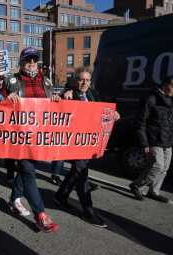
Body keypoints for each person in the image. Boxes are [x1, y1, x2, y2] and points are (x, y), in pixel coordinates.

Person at [54, 67, 120, 228]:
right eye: (81, 79)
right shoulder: (69, 93)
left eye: (87, 80)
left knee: (76, 171)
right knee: (82, 173)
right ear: (75, 80)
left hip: (89, 142)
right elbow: (59, 106)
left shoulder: (93, 94)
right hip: (74, 143)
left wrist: (113, 115)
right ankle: (88, 210)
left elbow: (102, 112)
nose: (84, 83)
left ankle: (61, 196)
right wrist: (63, 96)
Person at [3, 47, 59, 232]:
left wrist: (59, 98)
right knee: (28, 172)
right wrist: (5, 97)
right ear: (21, 62)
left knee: (28, 170)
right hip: (19, 136)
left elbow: (54, 104)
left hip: (39, 136)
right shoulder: (11, 81)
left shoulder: (47, 81)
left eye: (35, 59)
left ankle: (13, 200)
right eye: (28, 60)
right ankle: (40, 215)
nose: (32, 63)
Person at [129, 76, 173, 203]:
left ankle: (154, 191)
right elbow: (141, 122)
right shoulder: (151, 98)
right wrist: (144, 143)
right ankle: (137, 185)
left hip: (168, 139)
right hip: (153, 138)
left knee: (165, 168)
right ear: (165, 85)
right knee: (157, 165)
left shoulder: (171, 100)